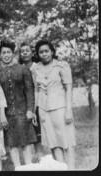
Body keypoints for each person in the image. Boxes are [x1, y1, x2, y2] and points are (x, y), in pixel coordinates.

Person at [33, 40, 76, 169]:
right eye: (41, 52)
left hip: (60, 107)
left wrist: (68, 110)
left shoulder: (61, 66)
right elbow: (36, 89)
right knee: (54, 143)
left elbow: (68, 88)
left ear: (52, 52)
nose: (44, 54)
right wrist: (35, 110)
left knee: (67, 141)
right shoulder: (35, 68)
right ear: (38, 54)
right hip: (44, 109)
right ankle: (61, 168)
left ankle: (72, 170)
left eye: (46, 51)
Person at [0, 40, 37, 170]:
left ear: (13, 54)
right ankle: (18, 168)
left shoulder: (23, 69)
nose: (6, 55)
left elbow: (30, 90)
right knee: (12, 144)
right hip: (7, 113)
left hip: (22, 111)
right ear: (0, 55)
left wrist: (30, 109)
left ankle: (29, 167)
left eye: (8, 52)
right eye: (3, 53)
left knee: (25, 142)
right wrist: (0, 114)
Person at [19, 42, 44, 160]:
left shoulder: (36, 67)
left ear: (32, 52)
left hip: (36, 104)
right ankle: (29, 160)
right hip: (23, 105)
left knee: (37, 135)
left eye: (27, 50)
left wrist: (34, 108)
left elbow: (37, 88)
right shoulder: (19, 68)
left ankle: (41, 158)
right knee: (27, 134)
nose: (24, 53)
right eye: (22, 51)